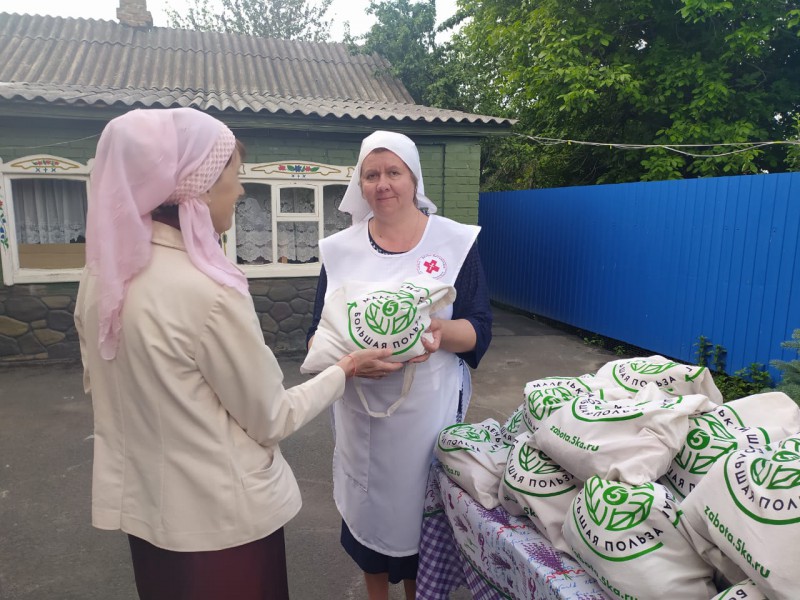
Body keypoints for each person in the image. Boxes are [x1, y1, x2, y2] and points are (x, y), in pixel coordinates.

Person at [74, 107, 399, 600]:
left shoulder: (103, 280)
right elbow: (271, 417)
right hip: (221, 528)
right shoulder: (206, 292)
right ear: (199, 187)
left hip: (147, 520)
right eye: (234, 175)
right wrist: (346, 368)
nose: (241, 190)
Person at [306, 131, 493, 600]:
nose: (382, 184)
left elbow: (479, 328)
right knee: (367, 520)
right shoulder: (340, 250)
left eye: (394, 172)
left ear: (414, 179)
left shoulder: (453, 242)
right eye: (371, 174)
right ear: (360, 184)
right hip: (361, 415)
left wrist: (439, 332)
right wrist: (350, 363)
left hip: (427, 416)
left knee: (419, 526)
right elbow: (316, 335)